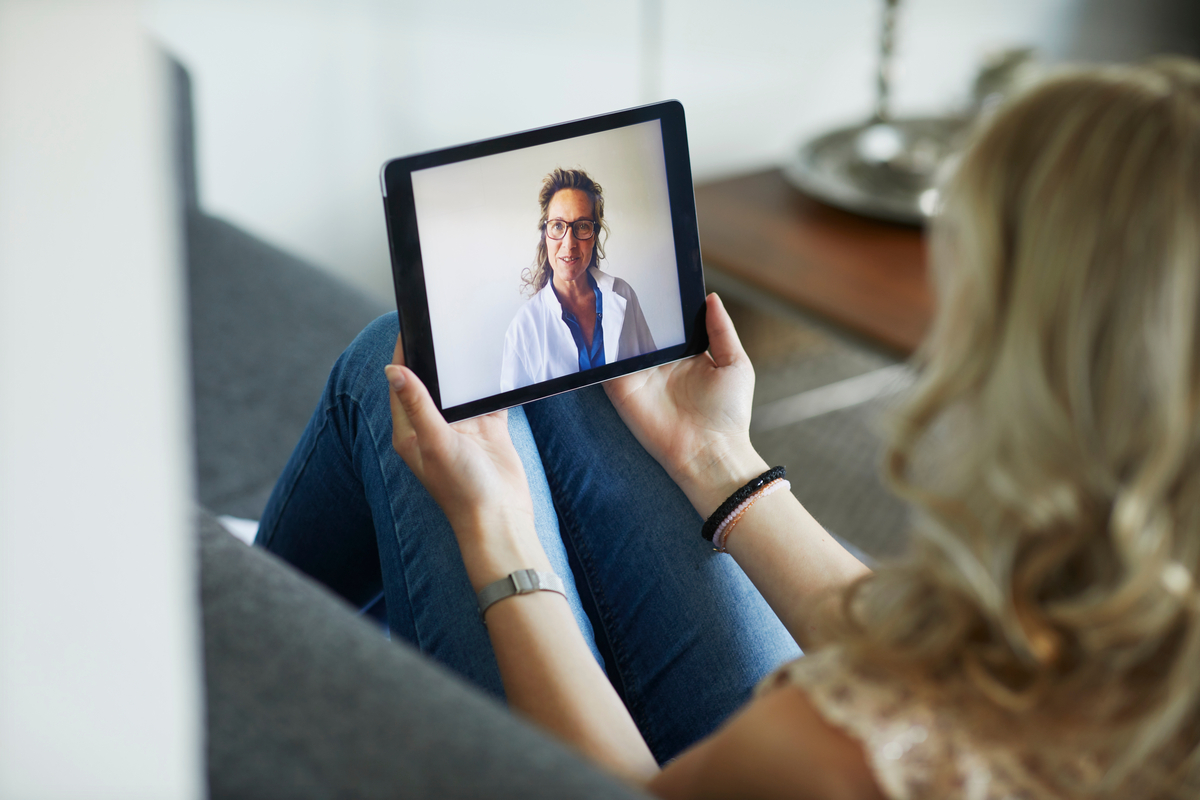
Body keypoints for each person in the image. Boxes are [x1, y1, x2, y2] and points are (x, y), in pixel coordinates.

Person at [259, 59, 1200, 799]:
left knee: (390, 369)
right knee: (563, 386)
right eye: (558, 231)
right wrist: (720, 461)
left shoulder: (821, 755)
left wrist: (499, 537)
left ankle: (238, 658)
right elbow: (956, 668)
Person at [500, 168, 656, 393]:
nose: (569, 243)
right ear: (545, 235)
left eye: (582, 225)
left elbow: (655, 375)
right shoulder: (523, 328)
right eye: (558, 226)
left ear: (594, 235)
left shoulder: (623, 294)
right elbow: (515, 419)